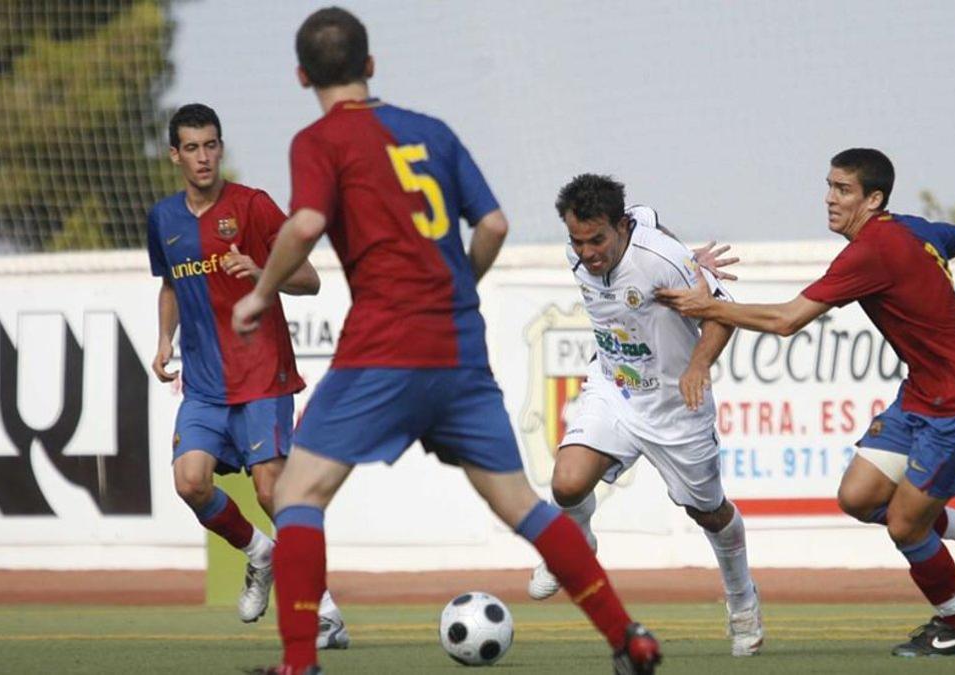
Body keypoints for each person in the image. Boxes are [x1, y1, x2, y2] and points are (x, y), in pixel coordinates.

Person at [231, 9, 660, 674]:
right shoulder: (433, 132)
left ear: (300, 76)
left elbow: (308, 220)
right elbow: (491, 223)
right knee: (522, 504)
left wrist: (259, 294)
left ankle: (297, 663)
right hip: (458, 349)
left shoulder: (319, 140)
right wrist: (460, 285)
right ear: (370, 66)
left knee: (296, 495)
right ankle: (627, 636)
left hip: (382, 347)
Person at [656, 148, 955, 658]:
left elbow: (787, 321)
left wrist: (709, 307)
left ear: (874, 199)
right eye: (829, 186)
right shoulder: (910, 229)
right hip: (921, 395)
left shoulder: (872, 250)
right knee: (859, 497)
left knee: (905, 525)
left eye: (843, 190)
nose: (830, 199)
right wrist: (930, 260)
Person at [526, 177, 762, 657]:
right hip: (614, 389)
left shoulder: (660, 261)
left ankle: (743, 603)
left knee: (709, 513)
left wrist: (698, 361)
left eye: (598, 240)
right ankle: (577, 542)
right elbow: (651, 217)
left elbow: (723, 312)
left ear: (621, 226)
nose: (588, 252)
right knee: (567, 483)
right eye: (578, 240)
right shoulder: (585, 250)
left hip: (677, 405)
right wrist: (689, 254)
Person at [147, 103, 348, 649]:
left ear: (220, 147)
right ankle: (260, 554)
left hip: (262, 372)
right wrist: (165, 339)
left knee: (271, 490)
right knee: (190, 481)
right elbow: (170, 286)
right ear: (175, 155)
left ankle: (324, 610)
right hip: (205, 385)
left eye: (211, 144)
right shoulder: (163, 219)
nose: (203, 156)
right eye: (191, 147)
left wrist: (262, 272)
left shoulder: (252, 207)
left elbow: (309, 280)